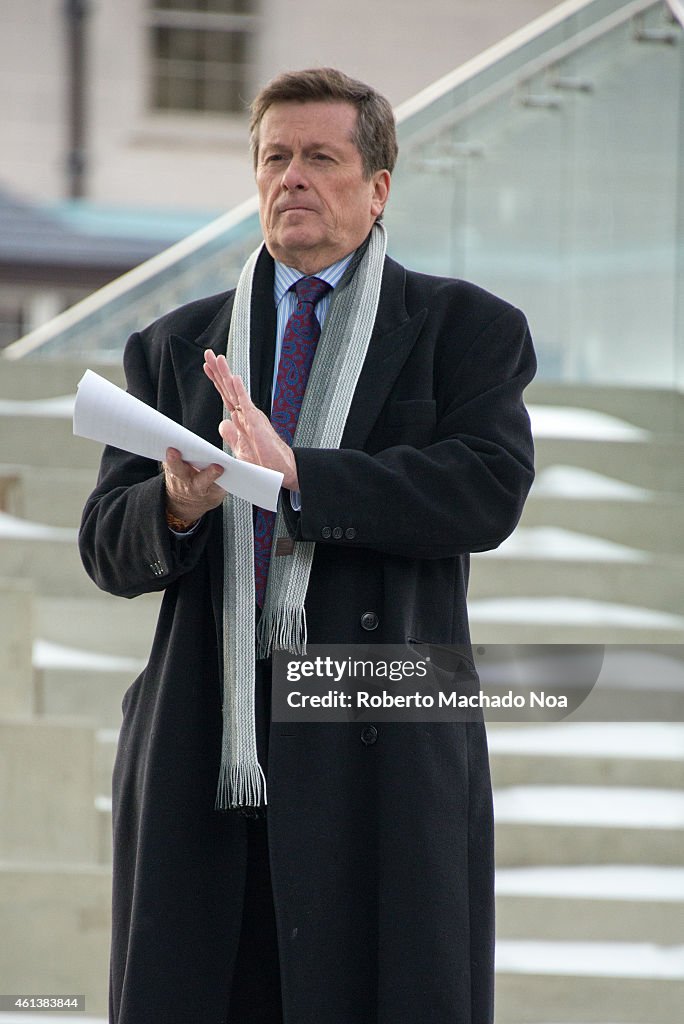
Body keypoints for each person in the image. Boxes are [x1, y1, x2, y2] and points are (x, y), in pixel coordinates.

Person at [79, 67, 536, 1024]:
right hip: (212, 743)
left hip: (378, 737)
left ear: (377, 188)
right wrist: (172, 503)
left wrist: (304, 478)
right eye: (275, 157)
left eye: (321, 157)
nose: (293, 177)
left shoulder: (465, 330)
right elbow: (105, 547)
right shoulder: (174, 348)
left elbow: (486, 490)